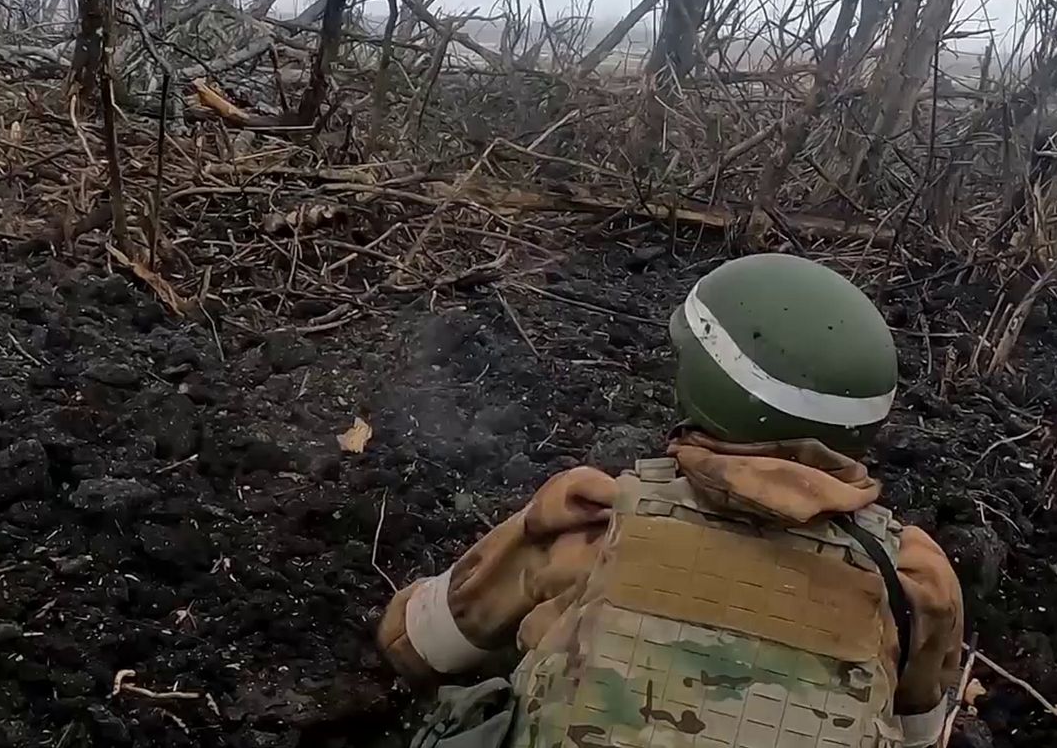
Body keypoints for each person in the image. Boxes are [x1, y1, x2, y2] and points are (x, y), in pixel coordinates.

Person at [376, 252, 965, 748]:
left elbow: (417, 644)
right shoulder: (911, 579)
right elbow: (917, 731)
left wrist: (529, 540)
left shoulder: (595, 523)